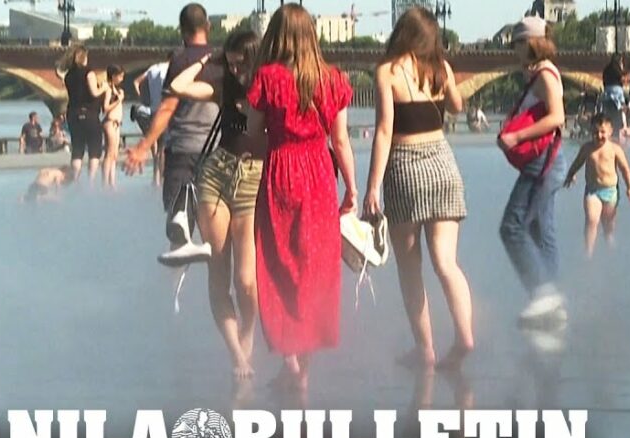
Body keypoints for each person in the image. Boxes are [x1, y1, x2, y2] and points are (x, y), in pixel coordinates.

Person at [245, 3, 358, 391]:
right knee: (315, 266)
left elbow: (252, 132)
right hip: (320, 172)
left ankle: (290, 361)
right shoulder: (333, 79)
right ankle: (303, 369)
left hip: (280, 169)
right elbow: (341, 140)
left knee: (278, 263)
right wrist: (353, 188)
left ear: (276, 36)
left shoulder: (268, 78)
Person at [363, 7, 473, 372]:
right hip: (443, 164)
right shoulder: (441, 69)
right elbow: (456, 107)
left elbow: (383, 131)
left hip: (406, 167)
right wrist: (449, 84)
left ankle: (425, 348)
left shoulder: (388, 72)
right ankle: (464, 337)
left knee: (411, 268)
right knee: (446, 262)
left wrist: (372, 187)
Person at [167, 30, 265, 380]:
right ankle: (236, 353)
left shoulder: (268, 88)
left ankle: (249, 331)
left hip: (254, 179)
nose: (237, 70)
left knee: (247, 280)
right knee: (218, 271)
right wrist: (207, 61)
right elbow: (178, 86)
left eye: (243, 63)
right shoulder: (224, 84)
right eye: (233, 63)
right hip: (217, 177)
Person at [124, 3, 222, 257]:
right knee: (216, 236)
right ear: (208, 27)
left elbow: (168, 107)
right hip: (218, 153)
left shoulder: (180, 59)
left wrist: (143, 147)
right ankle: (216, 293)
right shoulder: (220, 59)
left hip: (183, 153)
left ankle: (175, 293)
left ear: (182, 30)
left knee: (179, 235)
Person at [497, 17, 568, 323]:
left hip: (544, 163)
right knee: (542, 231)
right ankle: (553, 303)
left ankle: (543, 293)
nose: (515, 50)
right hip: (548, 162)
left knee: (512, 227)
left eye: (517, 44)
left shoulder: (545, 75)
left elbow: (557, 118)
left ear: (530, 43)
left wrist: (516, 136)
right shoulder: (539, 74)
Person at [563, 114, 630, 258]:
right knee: (592, 219)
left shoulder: (615, 149)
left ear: (610, 131)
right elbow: (577, 163)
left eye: (603, 132)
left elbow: (625, 169)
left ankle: (609, 241)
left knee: (608, 224)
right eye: (595, 132)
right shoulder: (587, 148)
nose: (599, 135)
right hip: (592, 192)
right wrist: (570, 174)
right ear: (590, 131)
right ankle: (588, 251)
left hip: (610, 191)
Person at [59, 46, 106, 183]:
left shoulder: (68, 75)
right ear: (83, 57)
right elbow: (94, 92)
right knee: (94, 149)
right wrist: (102, 87)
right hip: (89, 113)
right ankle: (90, 183)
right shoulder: (89, 73)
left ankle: (75, 180)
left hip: (73, 114)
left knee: (77, 149)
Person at [133, 54, 171, 186]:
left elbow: (136, 82)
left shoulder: (153, 68)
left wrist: (143, 99)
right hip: (167, 109)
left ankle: (156, 178)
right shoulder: (172, 69)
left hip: (154, 109)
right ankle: (163, 178)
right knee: (164, 147)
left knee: (158, 146)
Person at [101, 64, 126, 190]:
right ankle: (105, 183)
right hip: (110, 122)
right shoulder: (108, 89)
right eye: (120, 76)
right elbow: (105, 108)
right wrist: (118, 100)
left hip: (117, 123)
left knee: (115, 154)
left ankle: (112, 182)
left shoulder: (116, 89)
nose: (122, 78)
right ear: (114, 76)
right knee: (109, 154)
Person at [601, 53, 629, 140]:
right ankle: (623, 127)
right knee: (621, 109)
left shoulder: (606, 69)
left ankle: (609, 129)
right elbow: (622, 79)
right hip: (616, 90)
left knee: (608, 111)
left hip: (607, 91)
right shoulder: (617, 69)